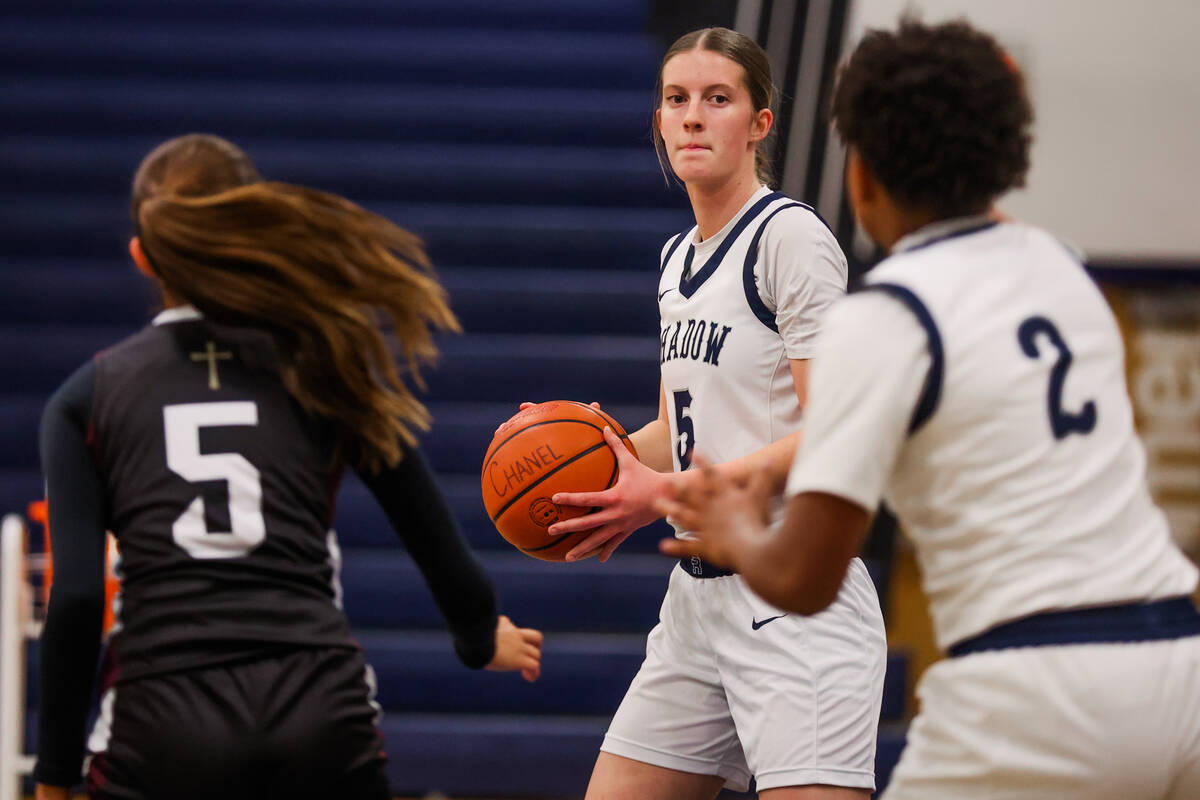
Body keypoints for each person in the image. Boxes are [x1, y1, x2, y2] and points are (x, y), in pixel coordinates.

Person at [660, 18, 1200, 799]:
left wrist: (734, 528)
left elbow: (805, 577)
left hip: (1037, 683)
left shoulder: (886, 319)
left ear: (862, 176)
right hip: (1178, 657)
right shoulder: (1064, 268)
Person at [34, 134, 544, 800]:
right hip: (316, 709)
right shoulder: (319, 361)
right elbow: (423, 519)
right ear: (256, 226)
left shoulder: (85, 398)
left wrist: (53, 776)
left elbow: (76, 598)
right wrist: (477, 633)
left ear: (141, 256)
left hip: (160, 720)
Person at [539, 27, 887, 798]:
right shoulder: (676, 258)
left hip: (793, 590)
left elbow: (839, 433)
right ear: (660, 122)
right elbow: (676, 430)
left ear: (760, 123)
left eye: (717, 98)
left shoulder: (789, 238)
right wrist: (586, 452)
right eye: (677, 99)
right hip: (696, 601)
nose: (693, 116)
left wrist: (661, 494)